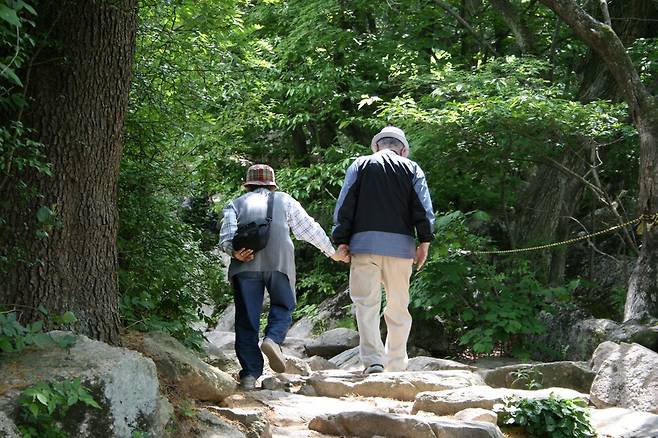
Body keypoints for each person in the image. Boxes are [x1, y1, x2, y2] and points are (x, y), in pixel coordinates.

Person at [219, 164, 347, 390]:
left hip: (245, 265)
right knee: (283, 305)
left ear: (246, 185)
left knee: (246, 320)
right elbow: (308, 228)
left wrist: (235, 252)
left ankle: (249, 375)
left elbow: (226, 238)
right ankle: (272, 340)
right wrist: (332, 252)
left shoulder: (235, 204)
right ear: (272, 184)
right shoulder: (284, 200)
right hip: (279, 264)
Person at [332, 126, 434, 374]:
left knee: (366, 305)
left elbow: (345, 204)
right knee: (399, 306)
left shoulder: (360, 164)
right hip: (401, 249)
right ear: (404, 149)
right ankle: (397, 364)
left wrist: (341, 239)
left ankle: (373, 362)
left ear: (377, 146)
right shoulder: (412, 168)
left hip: (364, 246)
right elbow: (423, 207)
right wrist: (424, 242)